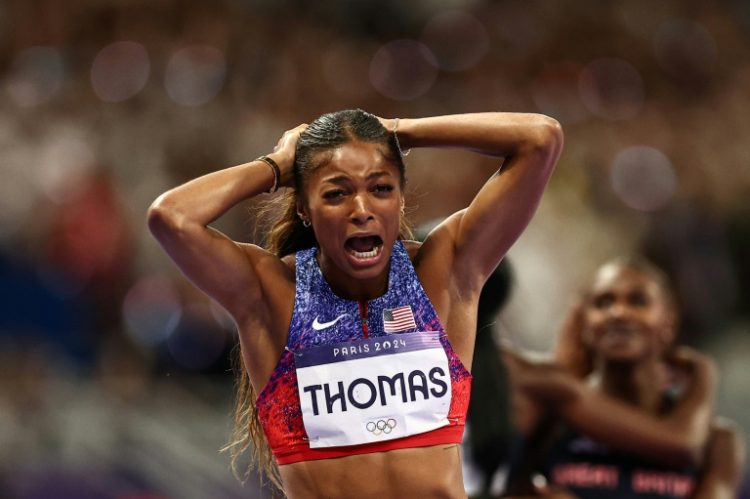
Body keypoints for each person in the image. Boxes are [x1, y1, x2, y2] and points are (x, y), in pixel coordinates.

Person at [147, 109, 564, 498]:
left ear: (400, 199)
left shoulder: (444, 274)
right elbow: (172, 217)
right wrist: (277, 166)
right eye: (336, 194)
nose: (362, 209)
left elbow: (540, 138)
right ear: (304, 209)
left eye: (381, 188)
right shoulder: (270, 293)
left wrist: (397, 131)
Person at [502, 258, 745, 499]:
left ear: (668, 324)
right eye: (603, 303)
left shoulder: (718, 443)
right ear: (584, 325)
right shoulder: (548, 423)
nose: (618, 313)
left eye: (638, 301)